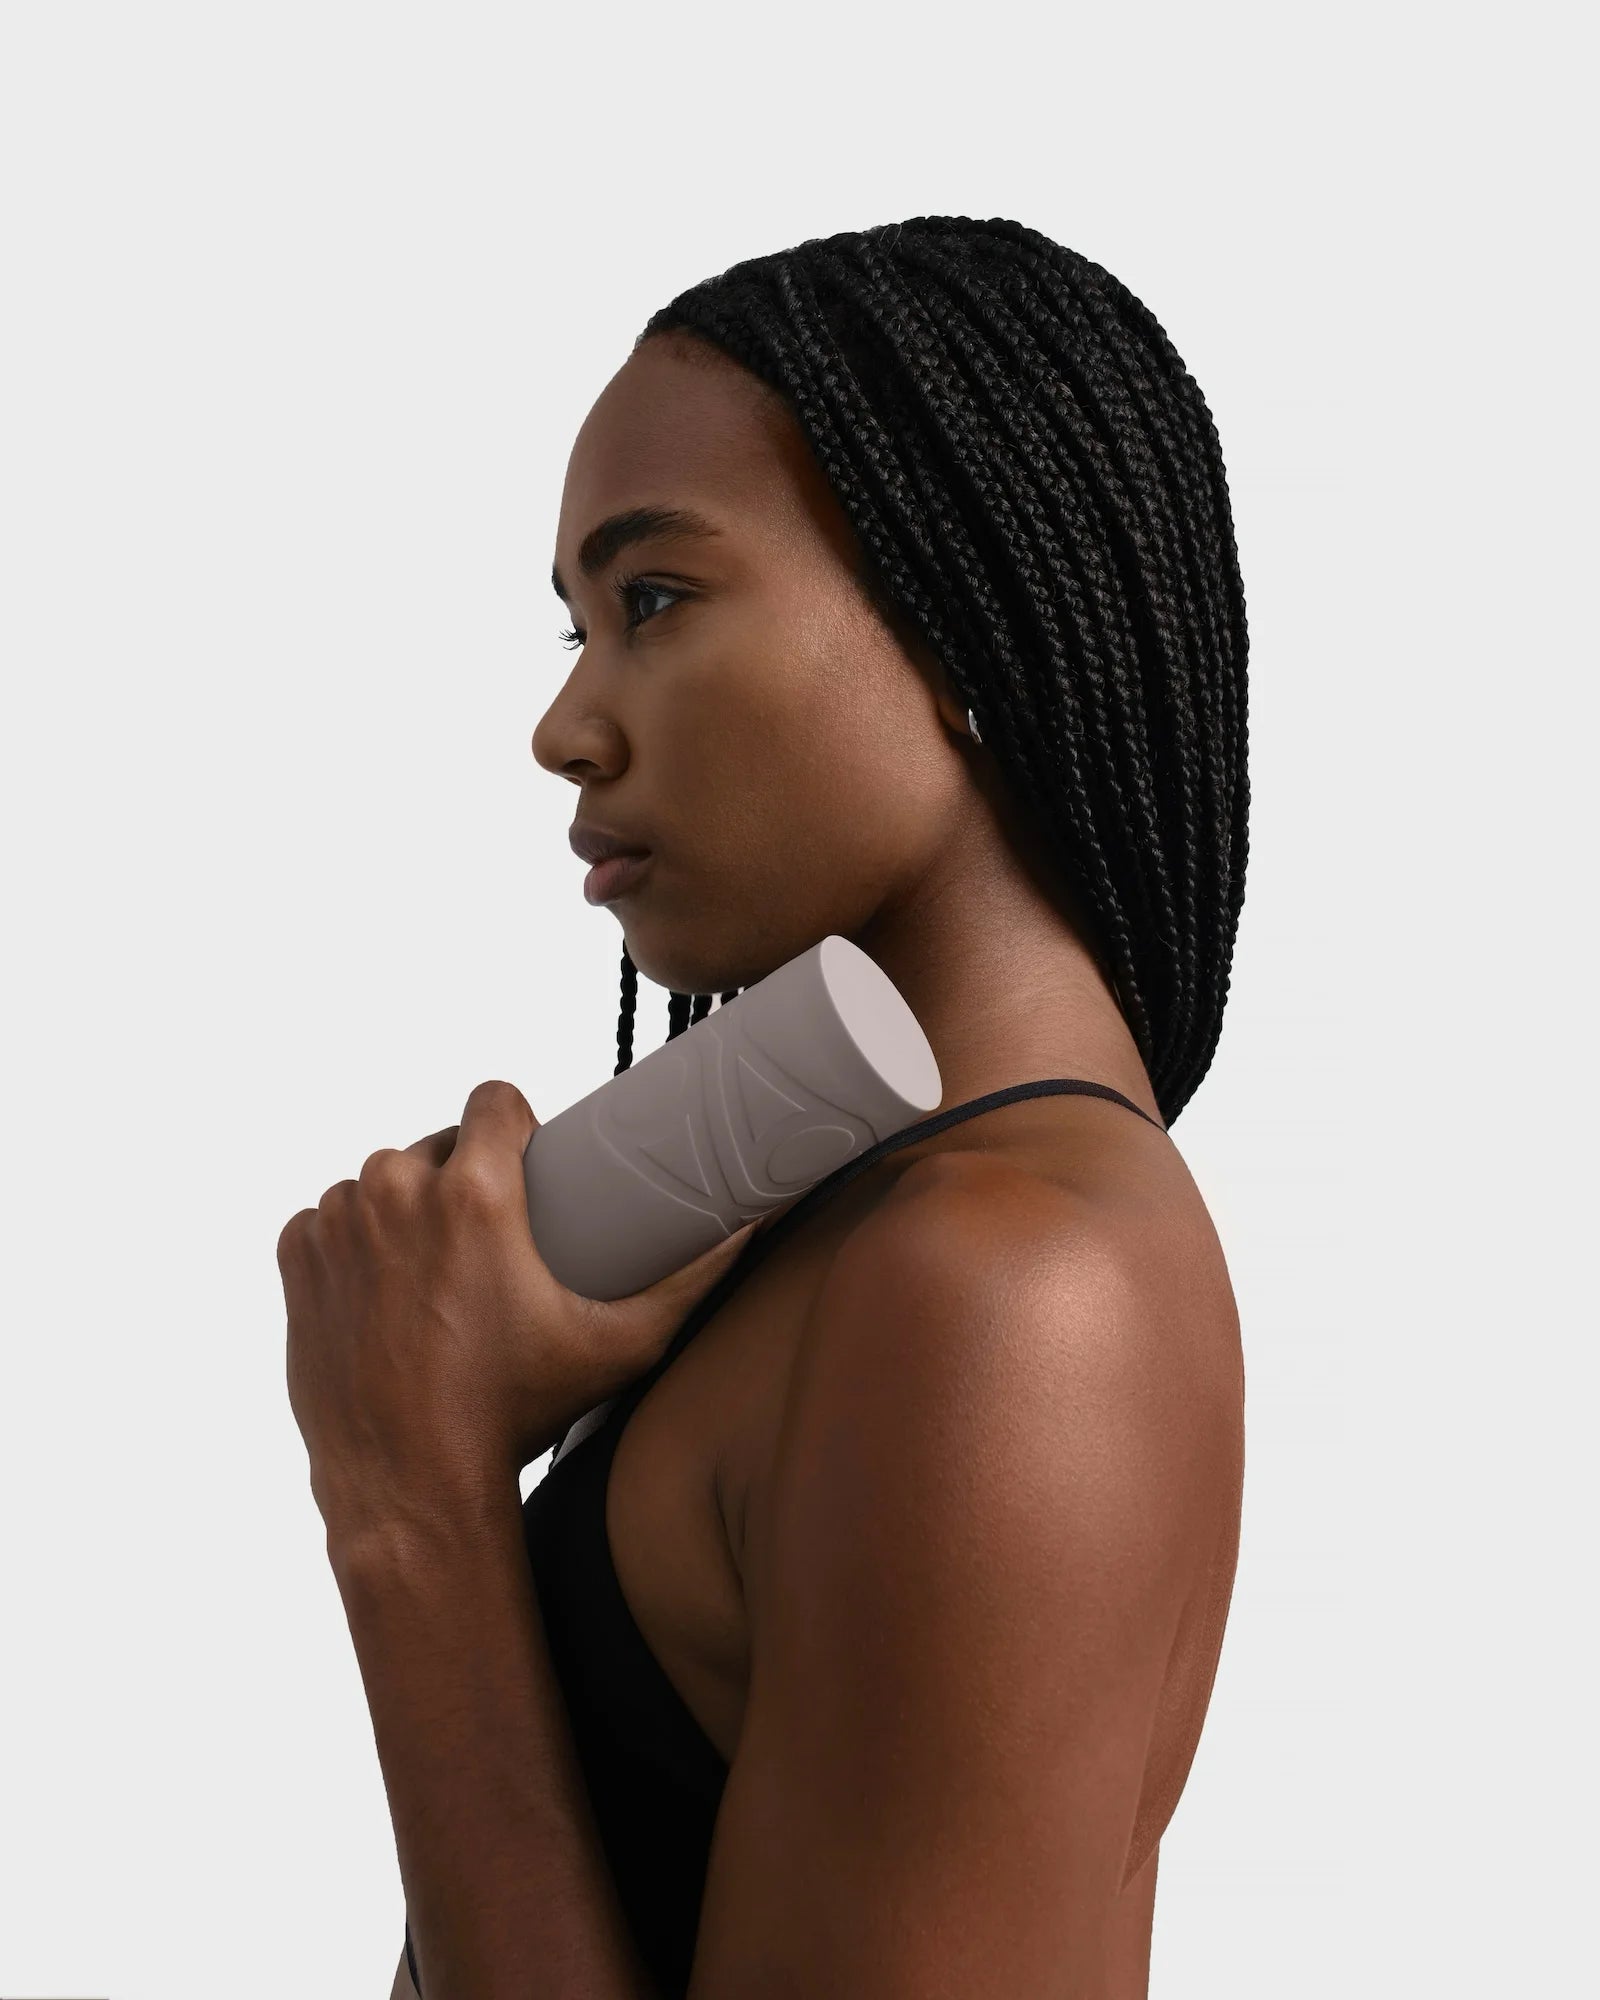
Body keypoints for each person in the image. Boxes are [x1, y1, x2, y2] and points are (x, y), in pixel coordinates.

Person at [398, 215, 1248, 1998]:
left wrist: (407, 1499)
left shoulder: (1012, 1291)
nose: (564, 725)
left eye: (653, 601)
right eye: (572, 626)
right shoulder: (859, 1228)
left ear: (963, 616)